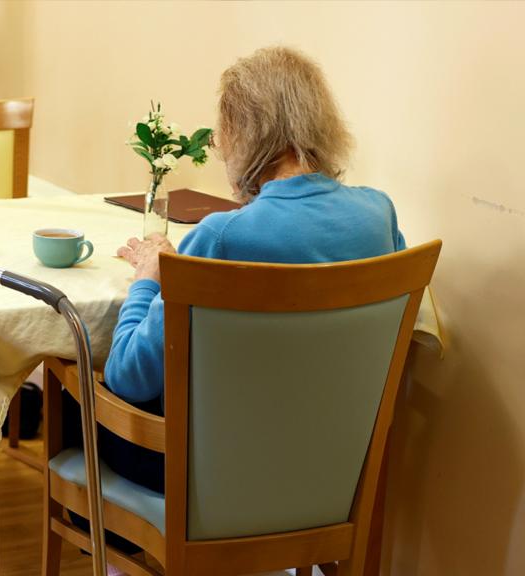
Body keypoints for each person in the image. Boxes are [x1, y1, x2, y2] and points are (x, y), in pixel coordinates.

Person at [66, 46, 407, 570]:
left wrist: (149, 277)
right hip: (329, 474)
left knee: (73, 395)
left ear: (248, 133)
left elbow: (129, 375)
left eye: (224, 137)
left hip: (213, 484)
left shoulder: (221, 237)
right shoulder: (377, 215)